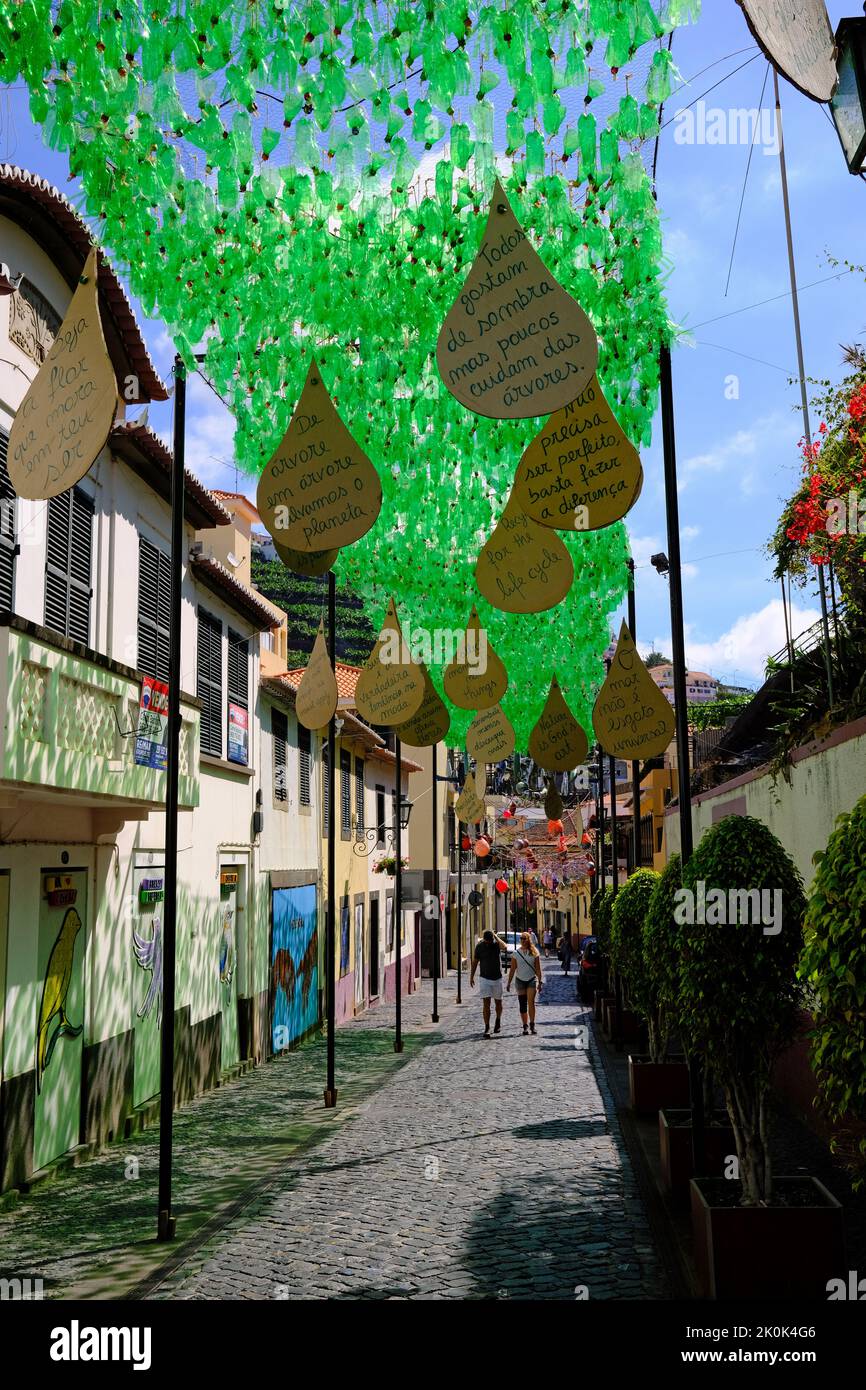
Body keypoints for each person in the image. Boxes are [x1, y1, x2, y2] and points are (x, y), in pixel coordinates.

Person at [470, 927, 509, 1037]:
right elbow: (475, 962)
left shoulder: (496, 944)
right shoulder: (479, 947)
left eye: (490, 940)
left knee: (498, 1002)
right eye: (487, 941)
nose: (489, 943)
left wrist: (496, 936)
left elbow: (505, 947)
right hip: (484, 978)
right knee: (486, 1003)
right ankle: (487, 1027)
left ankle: (498, 1020)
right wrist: (471, 976)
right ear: (484, 940)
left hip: (497, 978)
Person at [507, 931, 543, 1035]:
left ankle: (532, 1024)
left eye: (524, 938)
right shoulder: (516, 953)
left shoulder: (534, 952)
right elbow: (512, 969)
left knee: (531, 1002)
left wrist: (540, 982)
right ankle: (525, 1026)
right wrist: (509, 982)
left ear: (528, 940)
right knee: (522, 1004)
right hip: (520, 981)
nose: (522, 940)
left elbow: (538, 969)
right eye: (521, 938)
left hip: (531, 980)